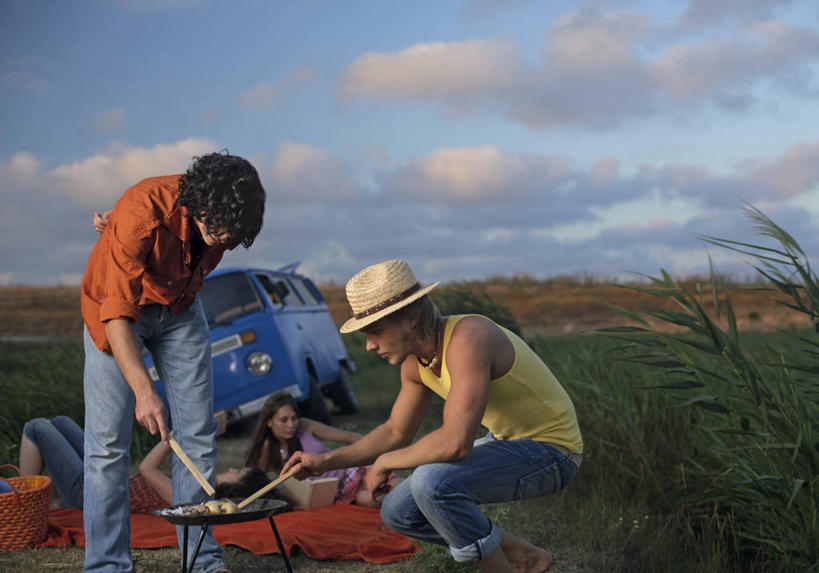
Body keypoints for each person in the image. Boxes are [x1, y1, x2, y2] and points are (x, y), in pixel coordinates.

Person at [282, 259, 583, 572]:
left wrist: (385, 461)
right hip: (506, 443)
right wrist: (324, 462)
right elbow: (395, 431)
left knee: (431, 482)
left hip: (553, 453)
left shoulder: (470, 337)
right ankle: (520, 554)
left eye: (375, 332)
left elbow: (455, 443)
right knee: (398, 511)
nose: (370, 346)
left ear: (411, 318)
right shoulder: (416, 365)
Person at [81, 151, 266, 573]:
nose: (222, 241)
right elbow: (117, 315)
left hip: (181, 308)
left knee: (198, 436)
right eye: (215, 230)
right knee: (108, 446)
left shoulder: (223, 218)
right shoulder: (142, 210)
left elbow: (200, 243)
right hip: (116, 313)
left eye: (232, 236)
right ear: (199, 204)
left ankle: (200, 561)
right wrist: (144, 392)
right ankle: (108, 566)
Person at [19, 415, 272, 512]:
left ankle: (24, 505)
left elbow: (146, 469)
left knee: (36, 427)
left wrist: (170, 438)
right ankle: (41, 497)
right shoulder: (199, 480)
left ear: (235, 490)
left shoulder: (192, 498)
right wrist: (209, 431)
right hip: (108, 478)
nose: (230, 468)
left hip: (91, 494)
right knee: (62, 421)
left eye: (237, 472)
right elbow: (190, 451)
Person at [245, 392, 402, 508]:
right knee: (367, 499)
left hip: (352, 471)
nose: (291, 425)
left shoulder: (304, 426)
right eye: (283, 420)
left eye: (293, 418)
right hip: (338, 491)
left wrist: (375, 453)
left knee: (395, 485)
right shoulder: (267, 450)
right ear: (269, 422)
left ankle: (417, 496)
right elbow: (265, 484)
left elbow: (351, 437)